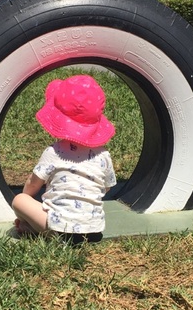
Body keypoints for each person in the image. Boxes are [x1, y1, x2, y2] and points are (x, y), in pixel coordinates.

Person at [12, 74, 117, 245]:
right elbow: (106, 187)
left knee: (20, 200)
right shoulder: (103, 155)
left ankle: (33, 227)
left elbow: (33, 184)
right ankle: (41, 228)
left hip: (60, 230)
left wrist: (27, 204)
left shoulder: (54, 152)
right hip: (94, 231)